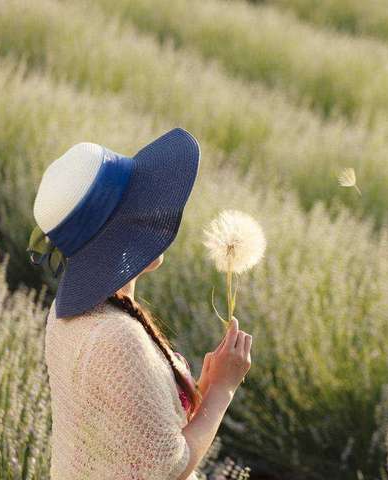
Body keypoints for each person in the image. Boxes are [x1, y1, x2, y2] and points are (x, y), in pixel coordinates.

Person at [27, 128, 252, 479]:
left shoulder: (66, 317)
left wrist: (197, 393)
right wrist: (222, 389)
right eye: (141, 206)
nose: (155, 213)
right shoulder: (118, 337)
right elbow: (170, 466)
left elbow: (128, 436)